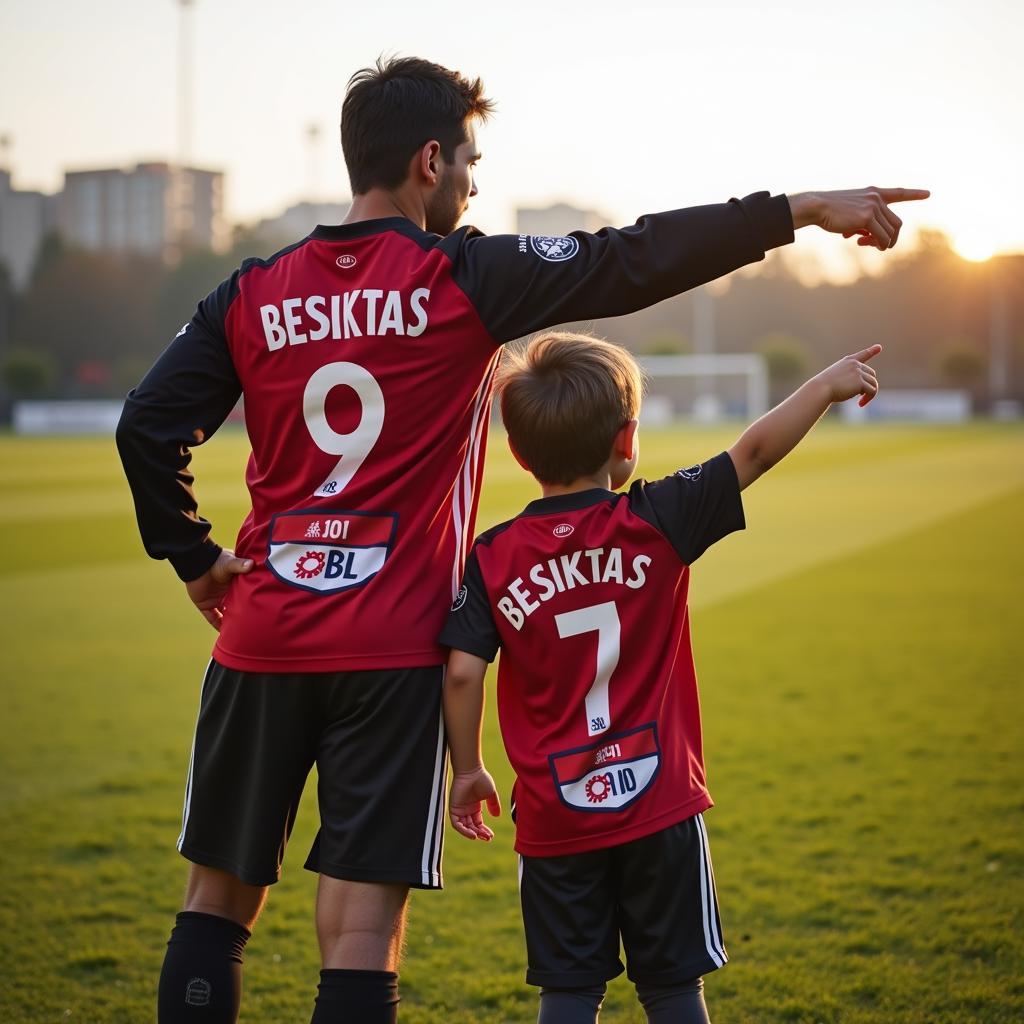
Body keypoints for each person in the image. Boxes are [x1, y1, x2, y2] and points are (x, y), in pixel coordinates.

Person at [115, 51, 925, 1024]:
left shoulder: (249, 291)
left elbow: (145, 426)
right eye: (468, 160)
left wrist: (196, 555)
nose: (473, 181)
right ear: (428, 161)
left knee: (215, 902)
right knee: (361, 928)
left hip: (263, 632)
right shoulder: (463, 276)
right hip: (391, 644)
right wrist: (797, 208)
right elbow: (632, 257)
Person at [438, 332, 884, 1023]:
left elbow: (463, 671)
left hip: (556, 817)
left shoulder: (493, 557)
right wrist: (825, 386)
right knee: (674, 989)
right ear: (628, 439)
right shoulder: (656, 520)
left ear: (520, 452)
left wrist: (468, 769)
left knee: (569, 992)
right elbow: (755, 452)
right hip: (660, 805)